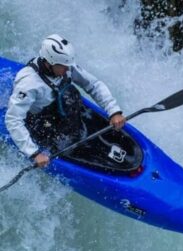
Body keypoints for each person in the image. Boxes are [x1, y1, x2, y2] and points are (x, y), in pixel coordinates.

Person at [5, 34, 126, 168]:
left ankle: (78, 130)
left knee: (71, 92)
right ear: (49, 63)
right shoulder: (29, 84)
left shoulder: (64, 65)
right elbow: (13, 119)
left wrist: (114, 111)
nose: (68, 69)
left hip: (63, 110)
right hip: (42, 125)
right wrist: (34, 153)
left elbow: (94, 84)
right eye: (64, 66)